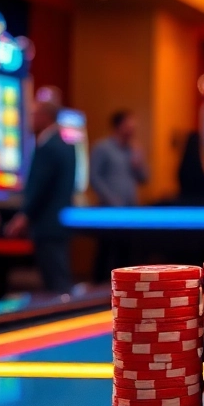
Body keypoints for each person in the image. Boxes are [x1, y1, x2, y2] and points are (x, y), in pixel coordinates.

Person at [5, 98, 78, 294]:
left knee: (56, 282)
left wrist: (23, 217)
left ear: (45, 117)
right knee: (59, 277)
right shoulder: (66, 145)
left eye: (33, 114)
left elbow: (40, 188)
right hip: (59, 223)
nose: (30, 119)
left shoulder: (48, 146)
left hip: (46, 224)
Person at [90, 110, 148, 280]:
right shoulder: (102, 148)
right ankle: (98, 291)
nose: (132, 129)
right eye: (129, 125)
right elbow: (94, 177)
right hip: (109, 211)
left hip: (130, 212)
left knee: (126, 254)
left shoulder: (134, 150)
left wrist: (138, 164)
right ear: (119, 126)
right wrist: (111, 199)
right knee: (106, 251)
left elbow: (145, 178)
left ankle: (125, 289)